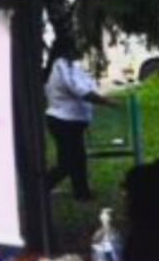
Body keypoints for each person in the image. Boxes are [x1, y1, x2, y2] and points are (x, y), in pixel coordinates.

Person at [45, 34, 115, 202]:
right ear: (67, 49)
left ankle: (82, 193)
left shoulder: (72, 66)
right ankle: (42, 186)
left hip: (73, 121)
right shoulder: (61, 66)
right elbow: (80, 90)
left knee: (78, 159)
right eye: (76, 47)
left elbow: (88, 85)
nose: (80, 50)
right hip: (63, 121)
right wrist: (106, 102)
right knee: (68, 162)